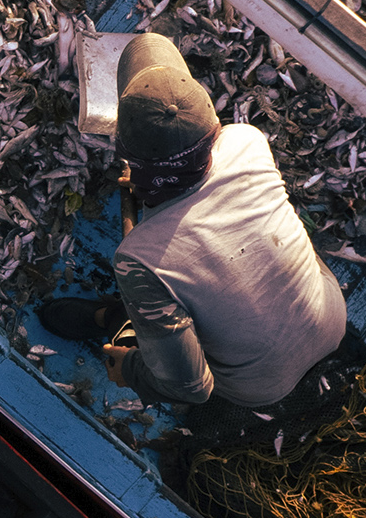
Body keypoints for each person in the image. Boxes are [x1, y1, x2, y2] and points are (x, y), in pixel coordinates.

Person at [39, 33, 347, 412]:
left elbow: (192, 388)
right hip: (332, 317)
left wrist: (131, 370)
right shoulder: (248, 141)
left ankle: (113, 319)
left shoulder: (138, 259)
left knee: (151, 326)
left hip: (262, 386)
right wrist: (150, 180)